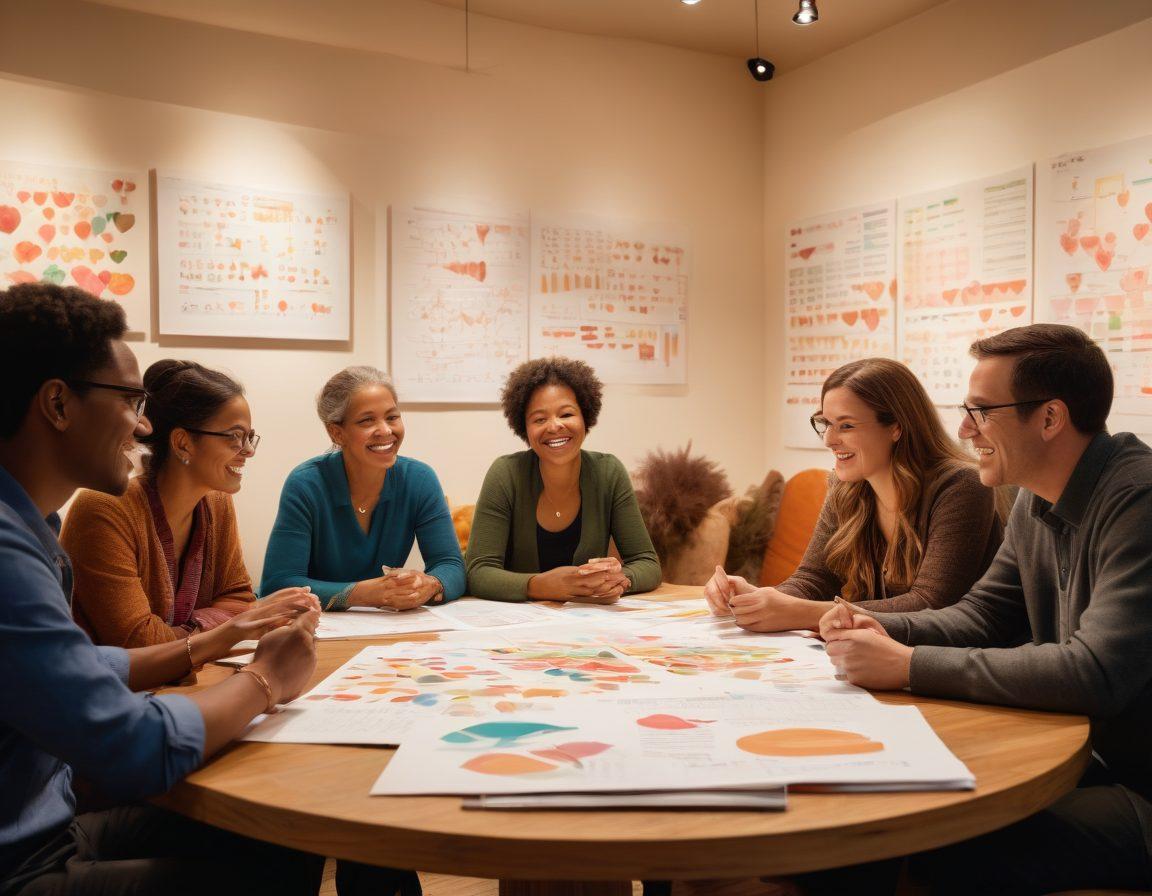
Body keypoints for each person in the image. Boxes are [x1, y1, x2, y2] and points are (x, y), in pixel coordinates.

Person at [0, 283, 322, 895]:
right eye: (130, 399)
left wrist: (211, 640)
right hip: (21, 860)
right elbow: (134, 743)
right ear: (58, 404)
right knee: (272, 865)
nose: (143, 423)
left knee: (286, 842)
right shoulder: (19, 545)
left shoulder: (30, 526)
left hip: (47, 821)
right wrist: (264, 679)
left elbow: (84, 664)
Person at [819, 324, 1152, 894]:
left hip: (1138, 784)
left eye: (980, 411)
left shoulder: (1138, 498)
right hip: (1090, 756)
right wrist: (880, 625)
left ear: (1049, 418)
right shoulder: (1034, 496)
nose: (963, 429)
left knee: (940, 840)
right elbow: (982, 616)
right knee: (874, 806)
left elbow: (1095, 673)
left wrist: (907, 664)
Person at [704, 357, 1002, 632]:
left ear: (896, 427)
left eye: (846, 425)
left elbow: (931, 603)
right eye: (826, 424)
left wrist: (805, 613)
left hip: (948, 662)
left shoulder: (962, 485)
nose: (830, 440)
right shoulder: (844, 485)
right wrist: (757, 599)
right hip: (876, 653)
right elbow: (813, 579)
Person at [61, 360, 300, 649]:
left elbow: (240, 598)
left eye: (249, 437)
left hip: (188, 678)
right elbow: (140, 642)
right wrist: (225, 625)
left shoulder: (216, 502)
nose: (248, 451)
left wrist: (192, 629)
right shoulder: (103, 510)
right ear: (183, 443)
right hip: (111, 689)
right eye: (235, 437)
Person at [261, 366, 465, 611]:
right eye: (367, 420)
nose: (386, 431)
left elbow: (451, 565)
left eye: (392, 417)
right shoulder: (306, 484)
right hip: (316, 628)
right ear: (336, 432)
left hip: (387, 631)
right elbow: (278, 584)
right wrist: (364, 593)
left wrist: (430, 584)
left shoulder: (419, 479)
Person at [466, 356, 661, 602]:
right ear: (524, 428)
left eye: (566, 414)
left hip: (588, 625)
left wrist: (615, 581)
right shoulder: (506, 474)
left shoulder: (609, 472)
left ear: (585, 417)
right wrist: (539, 586)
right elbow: (478, 572)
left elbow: (648, 564)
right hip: (519, 627)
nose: (555, 426)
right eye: (539, 419)